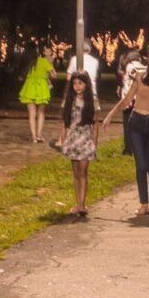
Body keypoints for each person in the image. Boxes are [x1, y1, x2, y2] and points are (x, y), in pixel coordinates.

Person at [103, 45, 149, 219]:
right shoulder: (140, 75)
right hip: (137, 123)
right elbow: (127, 99)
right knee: (141, 165)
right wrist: (110, 115)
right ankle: (143, 204)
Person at [60, 72, 98, 217]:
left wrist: (94, 143)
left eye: (80, 83)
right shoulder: (69, 100)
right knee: (76, 173)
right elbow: (64, 123)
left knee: (83, 172)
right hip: (73, 140)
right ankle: (79, 204)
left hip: (86, 140)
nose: (77, 86)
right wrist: (63, 141)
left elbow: (95, 124)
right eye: (75, 83)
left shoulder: (92, 101)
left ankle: (82, 204)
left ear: (86, 84)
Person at [18, 41, 56, 143]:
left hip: (29, 87)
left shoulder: (28, 62)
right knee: (41, 113)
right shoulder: (44, 61)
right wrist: (51, 64)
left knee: (31, 114)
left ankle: (34, 137)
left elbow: (21, 76)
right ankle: (39, 135)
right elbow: (53, 75)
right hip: (42, 87)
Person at [119, 51, 146, 155]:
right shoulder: (144, 67)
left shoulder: (128, 67)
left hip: (129, 101)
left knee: (127, 126)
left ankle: (128, 148)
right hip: (140, 100)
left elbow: (126, 84)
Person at [66, 41, 101, 110]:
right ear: (90, 49)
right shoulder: (95, 61)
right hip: (92, 91)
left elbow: (68, 77)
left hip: (77, 93)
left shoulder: (74, 59)